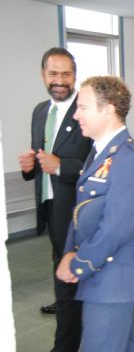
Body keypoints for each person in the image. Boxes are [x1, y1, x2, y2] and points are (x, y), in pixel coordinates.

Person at [56, 76, 134, 352]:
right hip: (109, 275)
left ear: (108, 109)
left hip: (111, 276)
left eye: (83, 107)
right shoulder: (99, 152)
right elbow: (82, 210)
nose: (76, 115)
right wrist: (68, 251)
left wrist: (79, 263)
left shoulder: (128, 157)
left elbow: (117, 227)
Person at [18, 47, 90, 352]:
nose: (59, 80)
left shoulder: (87, 111)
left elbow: (98, 166)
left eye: (66, 74)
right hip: (50, 209)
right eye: (53, 73)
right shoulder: (40, 111)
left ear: (75, 76)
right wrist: (30, 168)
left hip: (78, 214)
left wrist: (60, 165)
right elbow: (41, 158)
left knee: (70, 283)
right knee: (65, 282)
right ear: (43, 75)